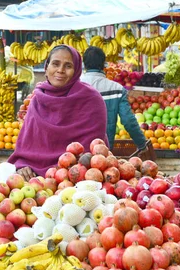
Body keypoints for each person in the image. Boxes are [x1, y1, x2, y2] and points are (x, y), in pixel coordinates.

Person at [8, 45, 108, 179]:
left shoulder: (91, 100)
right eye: (55, 64)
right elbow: (25, 146)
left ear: (76, 70)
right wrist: (22, 165)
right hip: (35, 178)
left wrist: (62, 172)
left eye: (68, 66)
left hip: (78, 177)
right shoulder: (38, 100)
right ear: (46, 67)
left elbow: (89, 152)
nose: (60, 70)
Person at [81, 46, 151, 154]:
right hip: (104, 151)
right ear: (103, 64)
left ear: (84, 64)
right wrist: (142, 144)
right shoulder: (116, 89)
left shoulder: (75, 87)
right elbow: (128, 121)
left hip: (78, 150)